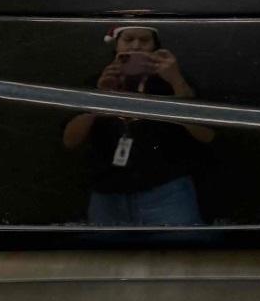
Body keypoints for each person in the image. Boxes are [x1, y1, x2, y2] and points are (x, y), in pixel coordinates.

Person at [62, 25, 213, 226]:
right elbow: (70, 140)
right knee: (104, 249)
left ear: (155, 47)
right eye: (128, 39)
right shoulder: (97, 82)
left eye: (144, 40)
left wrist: (176, 80)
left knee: (180, 247)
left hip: (167, 192)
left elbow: (206, 134)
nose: (136, 46)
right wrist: (100, 98)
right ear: (116, 45)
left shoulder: (173, 82)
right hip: (107, 196)